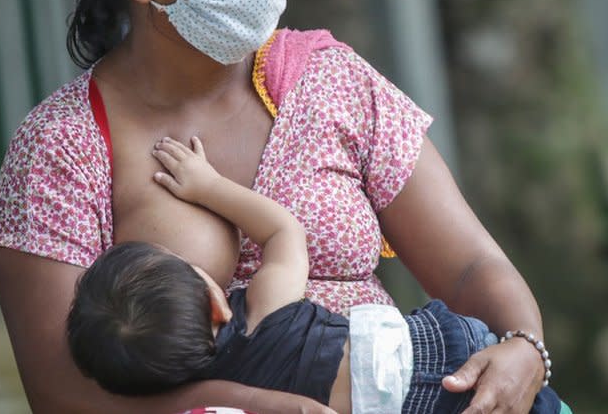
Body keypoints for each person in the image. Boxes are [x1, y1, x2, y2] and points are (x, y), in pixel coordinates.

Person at [0, 0, 553, 412]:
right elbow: (63, 397)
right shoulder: (61, 147)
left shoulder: (329, 79)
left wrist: (524, 346)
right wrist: (258, 407)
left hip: (411, 389)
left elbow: (470, 267)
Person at [66, 137, 569, 414]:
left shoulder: (216, 393)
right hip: (447, 355)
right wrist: (209, 186)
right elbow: (284, 231)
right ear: (216, 301)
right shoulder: (259, 313)